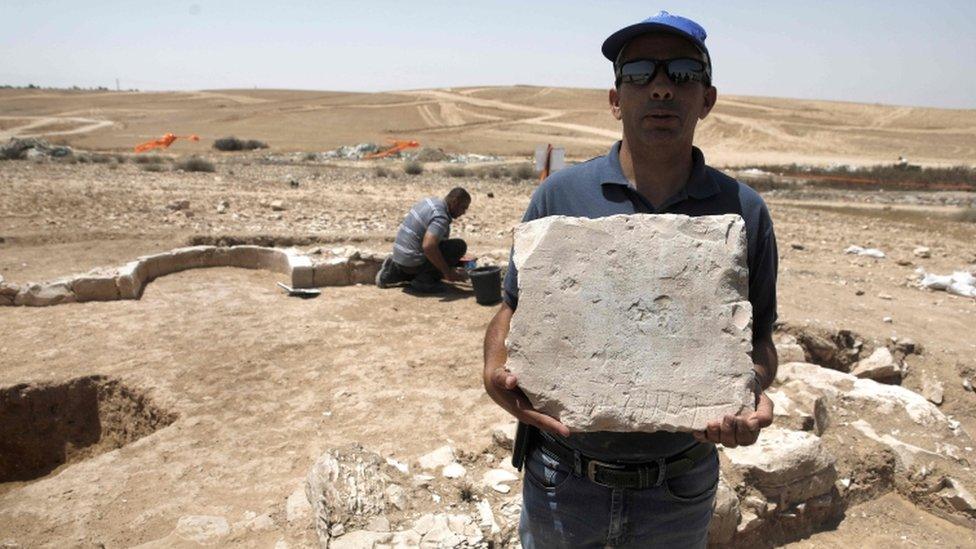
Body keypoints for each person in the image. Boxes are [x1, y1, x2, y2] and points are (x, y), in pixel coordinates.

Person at [482, 11, 779, 548]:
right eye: (640, 72)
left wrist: (749, 390)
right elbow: (511, 310)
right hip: (562, 479)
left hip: (679, 485)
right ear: (616, 99)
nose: (661, 88)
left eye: (682, 73)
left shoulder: (743, 211)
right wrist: (491, 369)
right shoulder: (560, 197)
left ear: (707, 98)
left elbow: (757, 341)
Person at [376, 187, 471, 293]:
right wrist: (447, 272)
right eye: (463, 208)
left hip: (400, 258)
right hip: (413, 262)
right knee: (458, 246)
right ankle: (424, 282)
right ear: (455, 202)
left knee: (437, 250)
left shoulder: (430, 202)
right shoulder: (441, 217)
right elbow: (429, 246)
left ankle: (391, 273)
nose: (464, 212)